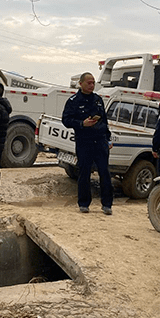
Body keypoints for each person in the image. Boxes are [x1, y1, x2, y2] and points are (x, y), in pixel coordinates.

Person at [62, 72, 113, 215]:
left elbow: (104, 120)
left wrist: (108, 138)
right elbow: (66, 120)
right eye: (89, 83)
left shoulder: (98, 100)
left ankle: (107, 204)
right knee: (84, 173)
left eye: (93, 83)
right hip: (84, 142)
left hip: (100, 141)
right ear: (81, 83)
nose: (91, 85)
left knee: (105, 172)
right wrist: (82, 124)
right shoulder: (73, 101)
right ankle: (84, 204)